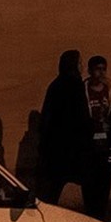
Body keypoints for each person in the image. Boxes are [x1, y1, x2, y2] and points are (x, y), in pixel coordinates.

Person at [81, 55, 111, 222]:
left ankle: (101, 215)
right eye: (97, 69)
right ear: (90, 70)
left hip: (108, 145)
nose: (100, 73)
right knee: (89, 182)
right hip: (89, 146)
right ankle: (90, 214)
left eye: (103, 69)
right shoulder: (82, 91)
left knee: (104, 181)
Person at [36, 49, 86, 204]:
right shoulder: (76, 85)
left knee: (53, 190)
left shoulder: (55, 85)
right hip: (69, 149)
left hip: (54, 150)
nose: (82, 66)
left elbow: (46, 118)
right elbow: (81, 117)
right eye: (79, 63)